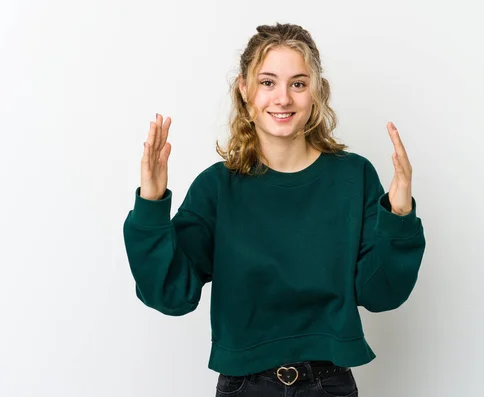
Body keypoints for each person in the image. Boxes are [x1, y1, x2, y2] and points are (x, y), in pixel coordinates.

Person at [123, 23, 426, 397]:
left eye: (297, 84)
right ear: (245, 90)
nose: (282, 98)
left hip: (329, 384)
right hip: (244, 387)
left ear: (315, 92)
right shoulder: (217, 187)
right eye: (268, 82)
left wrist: (398, 215)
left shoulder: (354, 176)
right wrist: (151, 205)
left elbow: (381, 294)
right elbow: (171, 294)